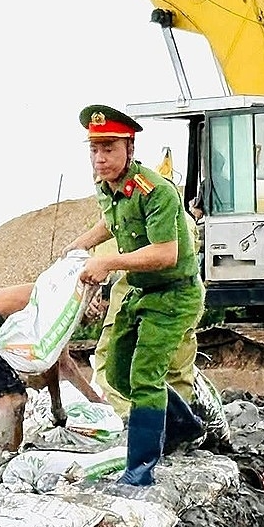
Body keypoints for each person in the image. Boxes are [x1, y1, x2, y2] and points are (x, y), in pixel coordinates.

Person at [63, 104, 206, 487]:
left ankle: (139, 473)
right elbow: (111, 221)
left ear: (130, 147)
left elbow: (165, 253)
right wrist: (80, 245)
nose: (100, 157)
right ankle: (187, 424)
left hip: (174, 294)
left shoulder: (156, 191)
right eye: (94, 149)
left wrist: (107, 263)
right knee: (119, 374)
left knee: (145, 376)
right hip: (141, 291)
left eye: (109, 148)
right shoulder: (106, 186)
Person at [0, 283, 107, 465]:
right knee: (12, 400)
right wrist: (57, 409)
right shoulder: (60, 300)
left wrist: (96, 402)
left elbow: (63, 362)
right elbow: (51, 363)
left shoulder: (63, 298)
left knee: (18, 397)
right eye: (97, 312)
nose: (94, 320)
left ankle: (12, 455)